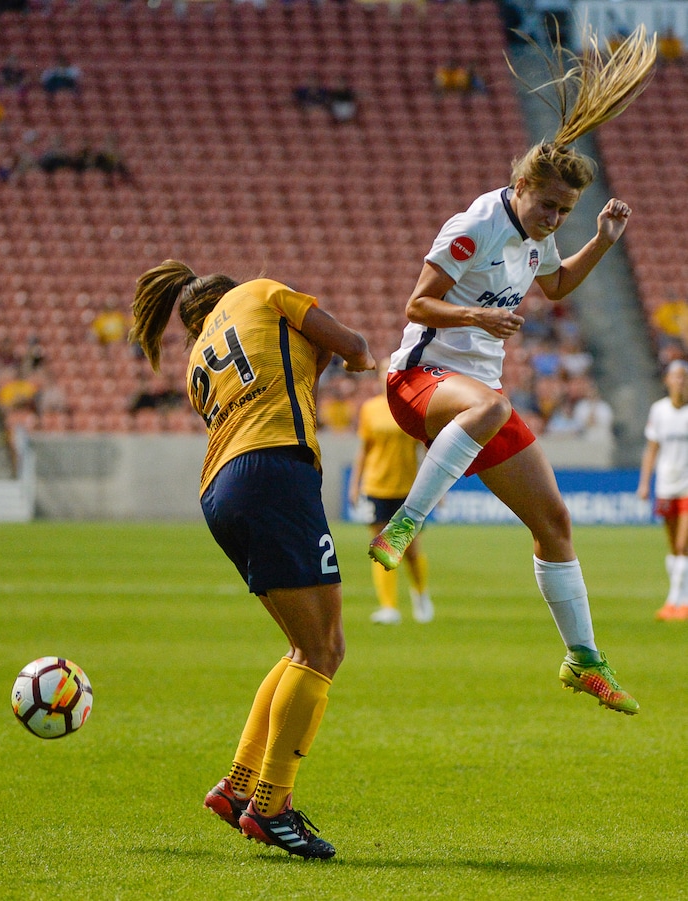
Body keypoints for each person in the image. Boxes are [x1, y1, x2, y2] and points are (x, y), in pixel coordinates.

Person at [368, 25, 657, 716]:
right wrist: (478, 320)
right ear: (522, 183)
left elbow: (555, 289)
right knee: (494, 408)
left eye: (564, 211)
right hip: (420, 380)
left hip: (474, 400)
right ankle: (404, 522)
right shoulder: (476, 223)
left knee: (554, 520)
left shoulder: (540, 236)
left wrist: (599, 240)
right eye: (549, 204)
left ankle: (582, 658)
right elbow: (416, 301)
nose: (554, 217)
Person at [129, 260, 375, 859]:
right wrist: (355, 357)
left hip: (221, 490)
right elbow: (355, 346)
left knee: (301, 648)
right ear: (229, 291)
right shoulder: (261, 293)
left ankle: (240, 787)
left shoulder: (195, 362)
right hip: (274, 471)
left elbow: (288, 376)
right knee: (323, 650)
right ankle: (271, 806)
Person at [349, 358, 434, 624]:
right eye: (383, 371)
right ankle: (389, 607)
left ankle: (420, 593)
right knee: (381, 547)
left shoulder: (414, 407)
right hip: (376, 485)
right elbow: (364, 449)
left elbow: (426, 448)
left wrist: (436, 487)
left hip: (407, 488)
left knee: (410, 550)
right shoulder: (370, 409)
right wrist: (355, 483)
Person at [637, 359, 688, 621]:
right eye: (676, 377)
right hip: (667, 484)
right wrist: (645, 482)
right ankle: (678, 599)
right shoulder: (659, 411)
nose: (680, 381)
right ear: (667, 381)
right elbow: (652, 449)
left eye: (684, 377)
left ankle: (677, 601)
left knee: (683, 544)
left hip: (687, 487)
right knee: (672, 545)